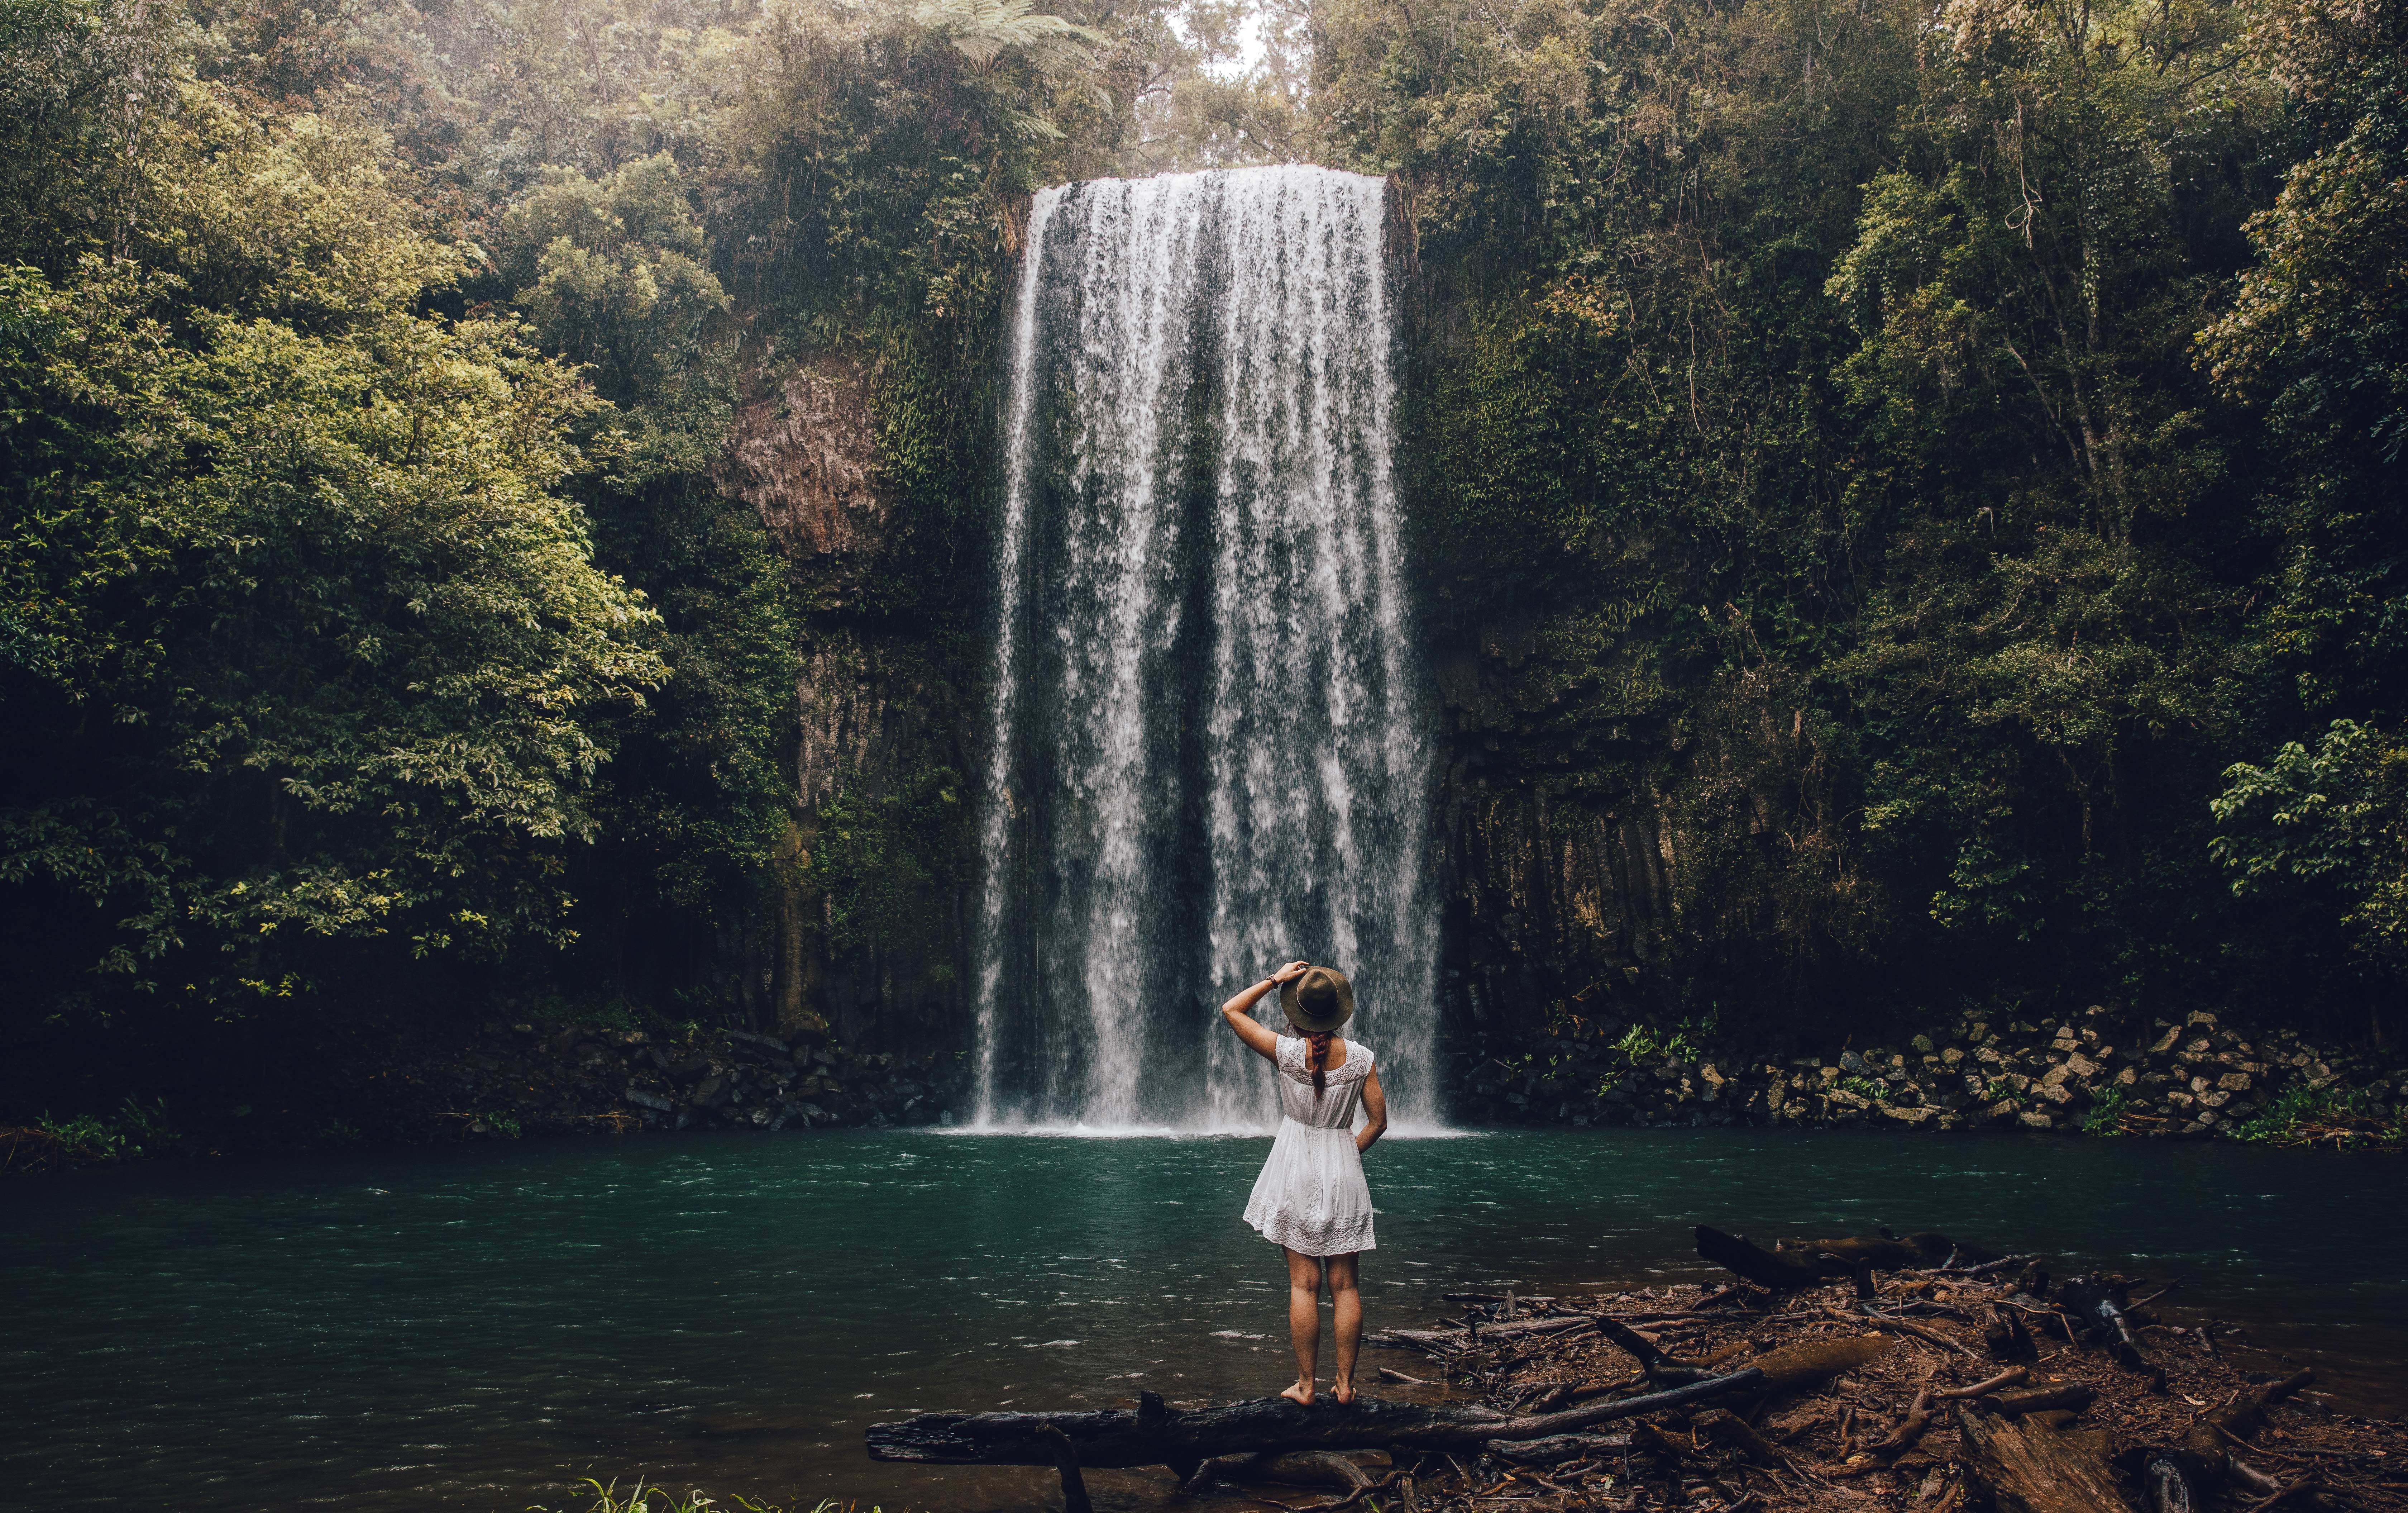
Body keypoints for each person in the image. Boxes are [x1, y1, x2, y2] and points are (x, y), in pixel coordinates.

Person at [1220, 960, 1389, 1405]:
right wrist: (1347, 1155)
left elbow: (1231, 1010)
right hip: (1343, 1167)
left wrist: (1276, 979)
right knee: (1347, 1286)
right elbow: (1378, 1122)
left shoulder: (1286, 1052)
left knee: (1304, 1285)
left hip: (1294, 1167)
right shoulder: (1362, 1059)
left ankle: (1307, 1386)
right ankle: (1347, 1386)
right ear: (1339, 1015)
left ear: (1298, 1014)